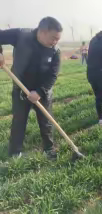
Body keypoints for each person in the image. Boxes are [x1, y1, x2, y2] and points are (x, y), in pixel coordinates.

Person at [0, 17, 63, 159]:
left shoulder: (55, 51)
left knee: (46, 122)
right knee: (19, 121)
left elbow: (53, 75)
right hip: (21, 89)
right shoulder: (21, 35)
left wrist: (40, 92)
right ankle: (15, 152)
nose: (55, 42)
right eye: (53, 38)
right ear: (42, 32)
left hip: (43, 92)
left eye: (57, 39)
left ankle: (49, 149)